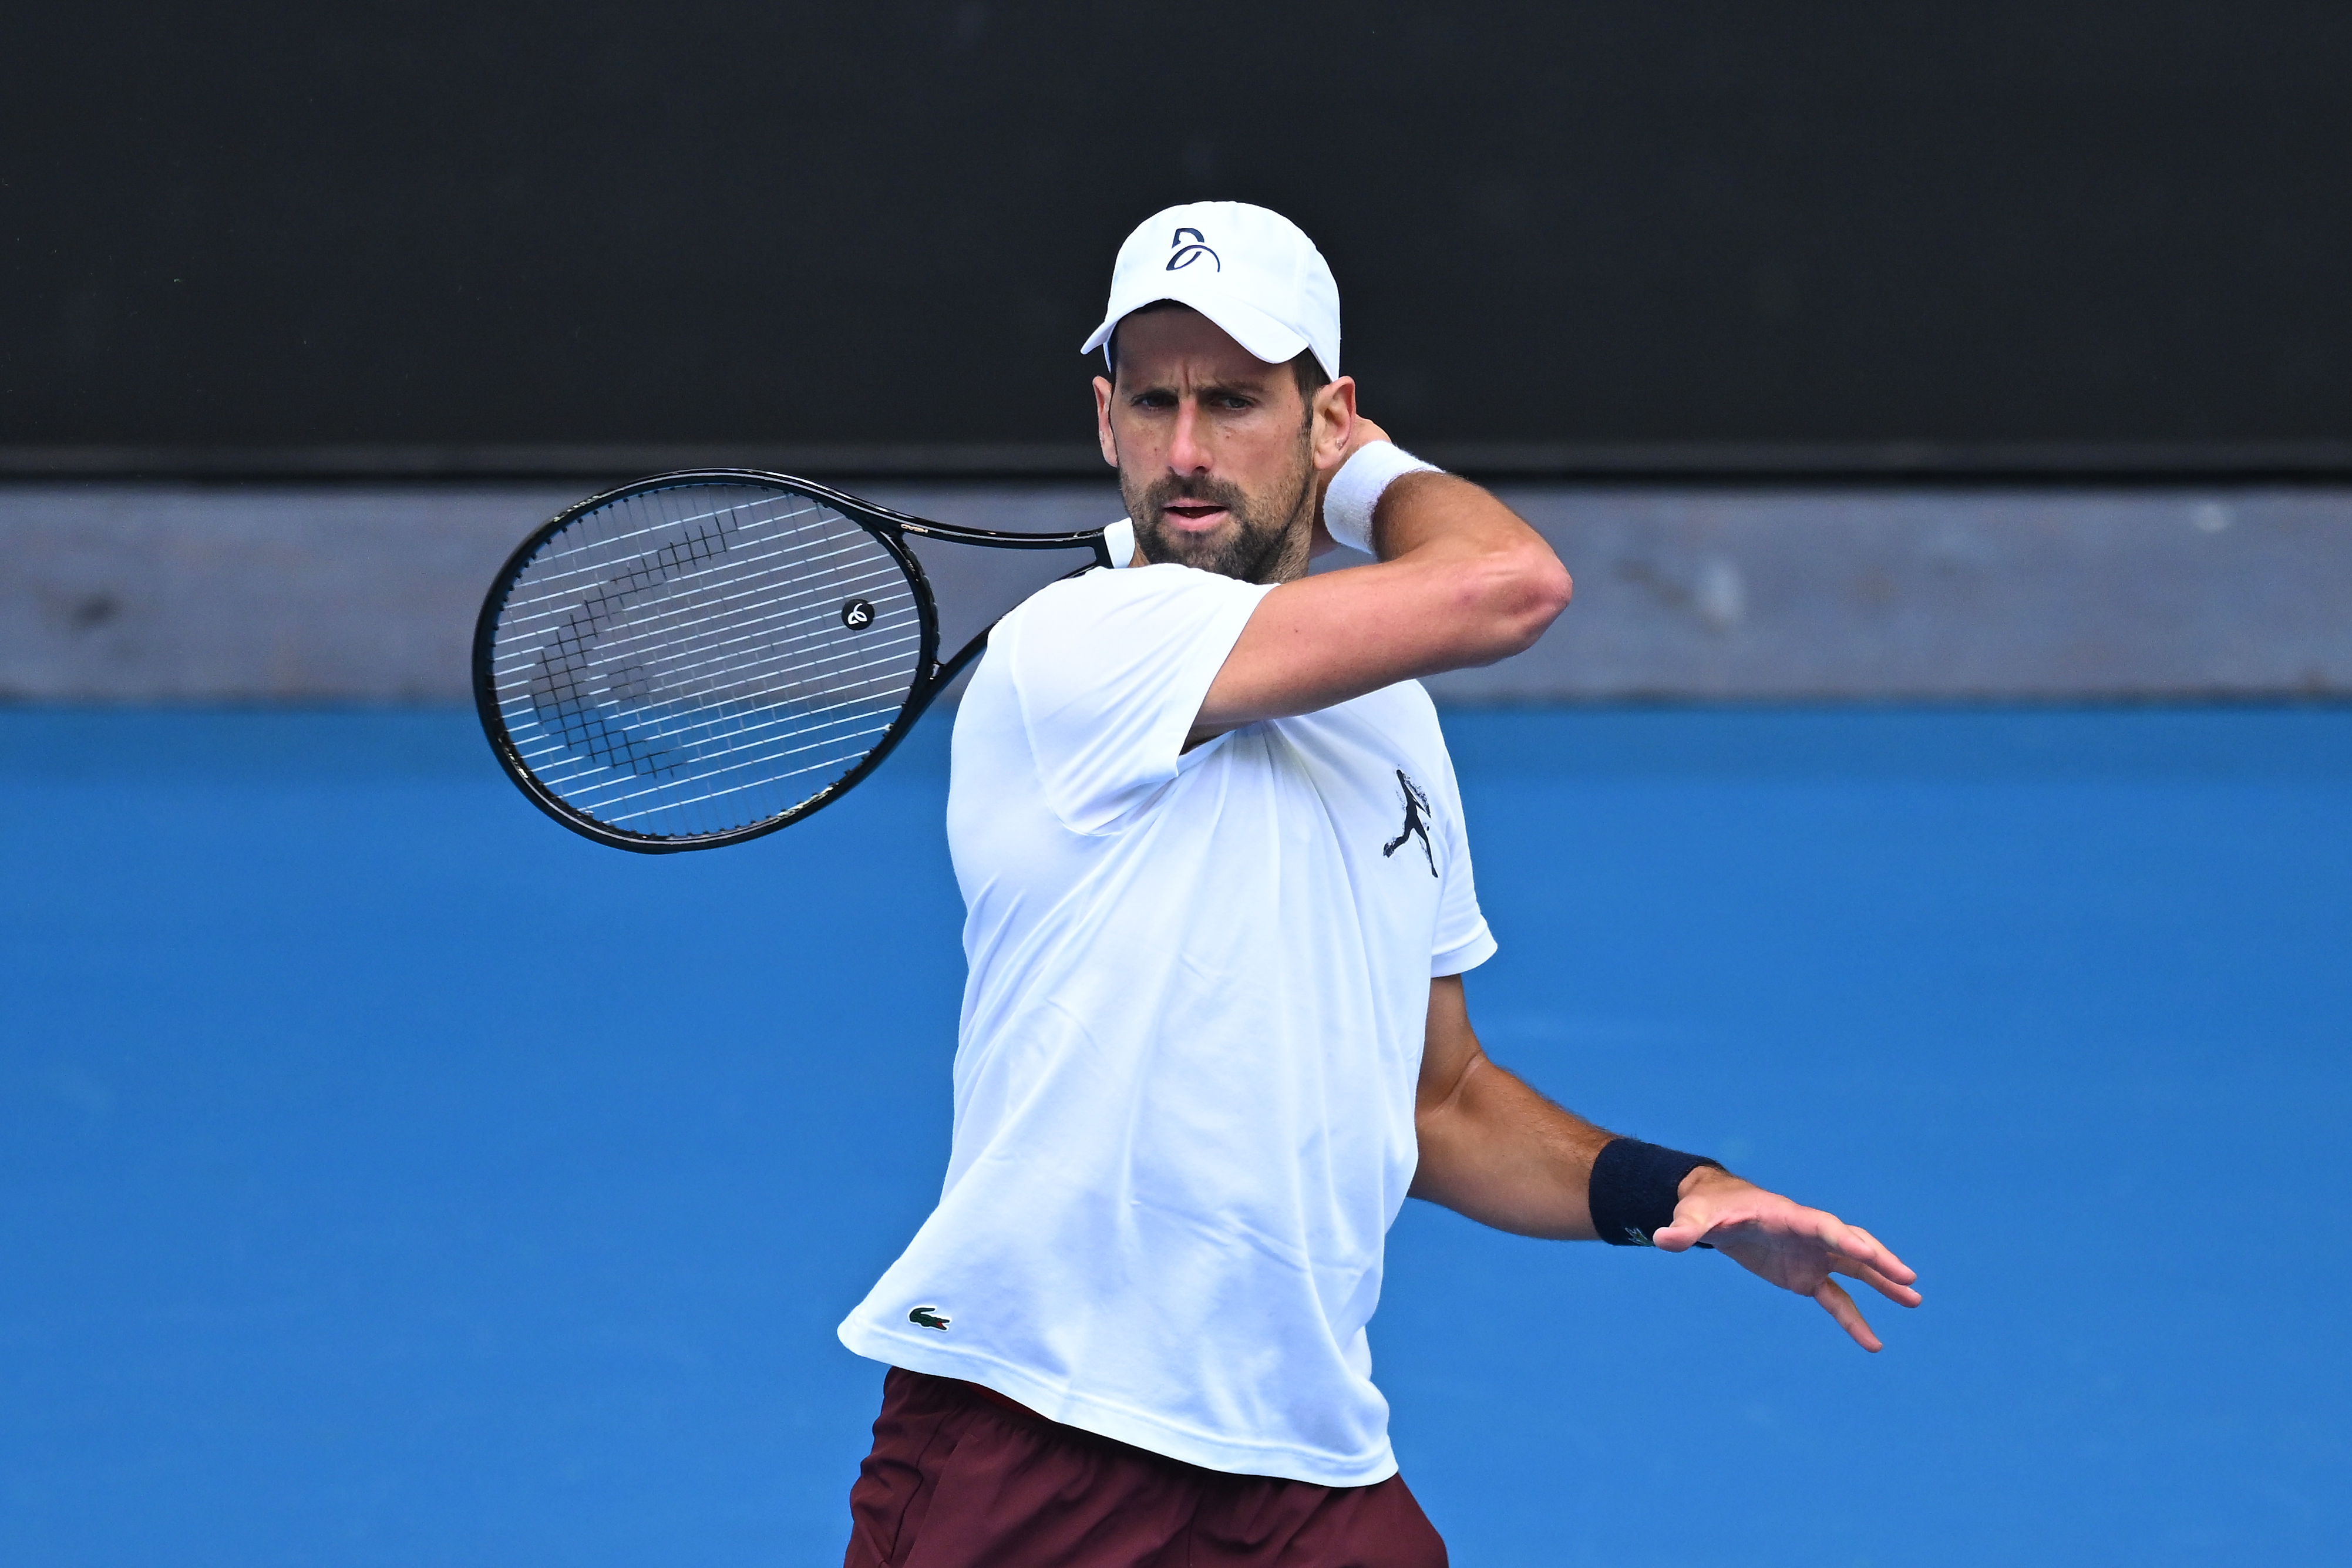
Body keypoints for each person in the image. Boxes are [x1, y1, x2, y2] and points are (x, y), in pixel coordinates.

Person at [835, 201, 1920, 1567]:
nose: (1184, 451)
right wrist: (1362, 479)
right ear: (1100, 419)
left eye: (1233, 402)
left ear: (1319, 410)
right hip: (1039, 1432)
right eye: (1153, 401)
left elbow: (1438, 1096)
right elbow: (1510, 585)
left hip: (1300, 1459)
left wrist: (1673, 1191)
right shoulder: (1086, 642)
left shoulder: (1386, 714)